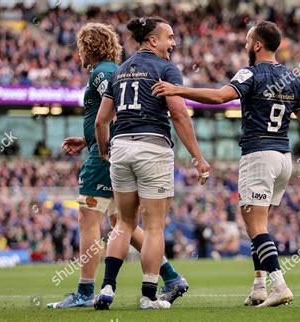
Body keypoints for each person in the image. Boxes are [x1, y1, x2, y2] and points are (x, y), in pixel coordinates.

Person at [152, 20, 300, 308]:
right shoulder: (293, 78)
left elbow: (219, 97)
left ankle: (279, 285)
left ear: (257, 45)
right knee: (256, 224)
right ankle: (258, 286)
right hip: (283, 158)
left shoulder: (250, 73)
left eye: (247, 39)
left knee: (256, 227)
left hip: (258, 155)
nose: (243, 44)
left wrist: (178, 90)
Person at [48, 22, 186, 309]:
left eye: (80, 48)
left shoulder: (104, 72)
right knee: (121, 223)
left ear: (89, 47)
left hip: (109, 157)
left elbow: (118, 113)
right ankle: (170, 276)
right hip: (112, 151)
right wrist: (87, 140)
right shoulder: (110, 70)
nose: (78, 54)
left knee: (89, 218)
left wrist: (100, 149)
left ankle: (86, 291)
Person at [93, 16, 210, 310]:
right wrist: (198, 157)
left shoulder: (119, 71)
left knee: (123, 224)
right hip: (152, 147)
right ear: (153, 40)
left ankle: (107, 288)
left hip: (121, 147)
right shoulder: (165, 69)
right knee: (155, 227)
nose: (174, 42)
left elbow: (101, 121)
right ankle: (147, 295)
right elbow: (180, 116)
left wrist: (106, 151)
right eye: (169, 37)